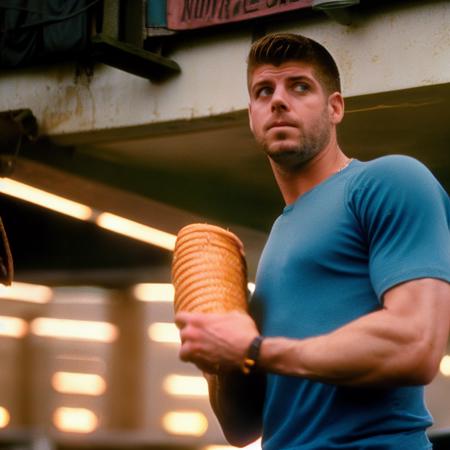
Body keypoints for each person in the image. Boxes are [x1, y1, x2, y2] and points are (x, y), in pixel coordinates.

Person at [175, 33, 450, 449]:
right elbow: (241, 427)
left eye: (299, 87)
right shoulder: (278, 240)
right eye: (263, 91)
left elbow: (415, 345)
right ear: (251, 115)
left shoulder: (388, 181)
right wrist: (218, 353)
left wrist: (253, 348)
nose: (278, 101)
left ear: (335, 107)